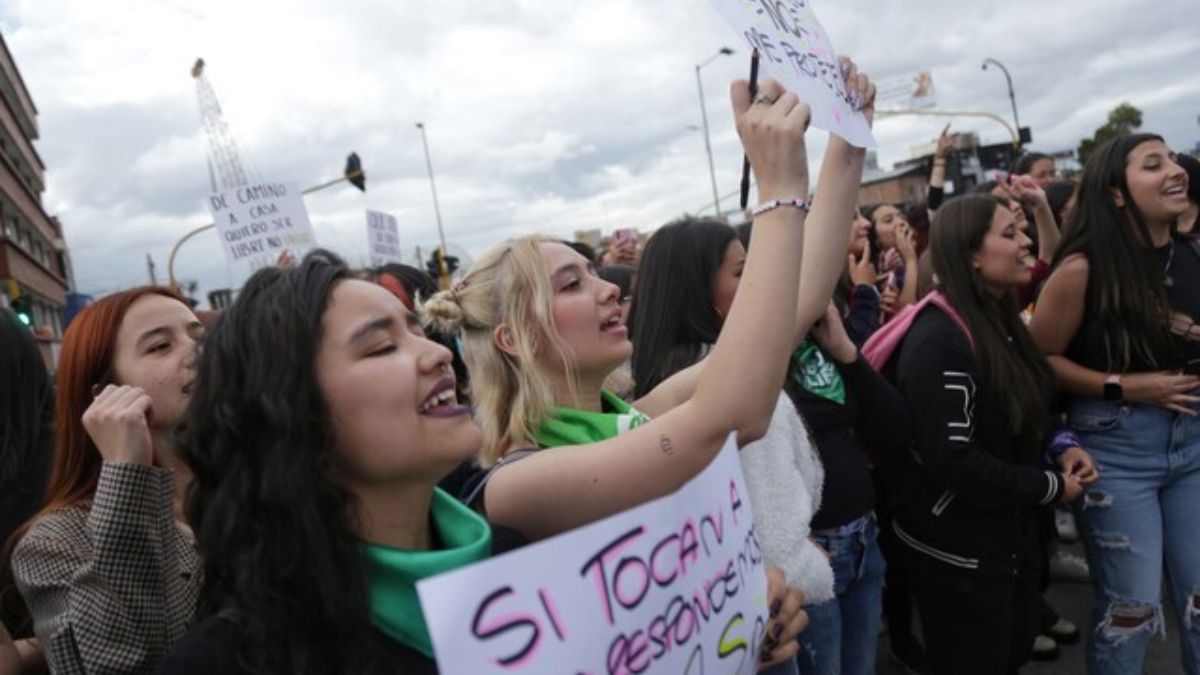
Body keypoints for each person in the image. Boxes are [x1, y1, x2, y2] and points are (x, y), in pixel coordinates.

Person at [864, 194, 1092, 674]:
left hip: (1004, 536)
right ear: (970, 254)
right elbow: (953, 458)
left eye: (1021, 229)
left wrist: (1060, 445)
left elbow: (1025, 405)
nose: (1026, 240)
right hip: (960, 551)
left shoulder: (995, 313)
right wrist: (1049, 486)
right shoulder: (939, 339)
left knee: (1010, 652)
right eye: (1009, 233)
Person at [1029, 133, 1200, 675]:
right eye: (1154, 164)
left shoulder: (1189, 252)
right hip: (1116, 453)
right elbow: (1042, 361)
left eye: (1173, 159)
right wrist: (1125, 385)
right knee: (1132, 608)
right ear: (1118, 194)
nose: (1175, 170)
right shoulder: (1082, 269)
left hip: (1192, 446)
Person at [8, 287, 204, 675]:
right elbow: (109, 662)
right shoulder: (54, 542)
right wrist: (126, 475)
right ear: (105, 396)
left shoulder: (261, 483)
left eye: (200, 337)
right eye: (160, 346)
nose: (197, 352)